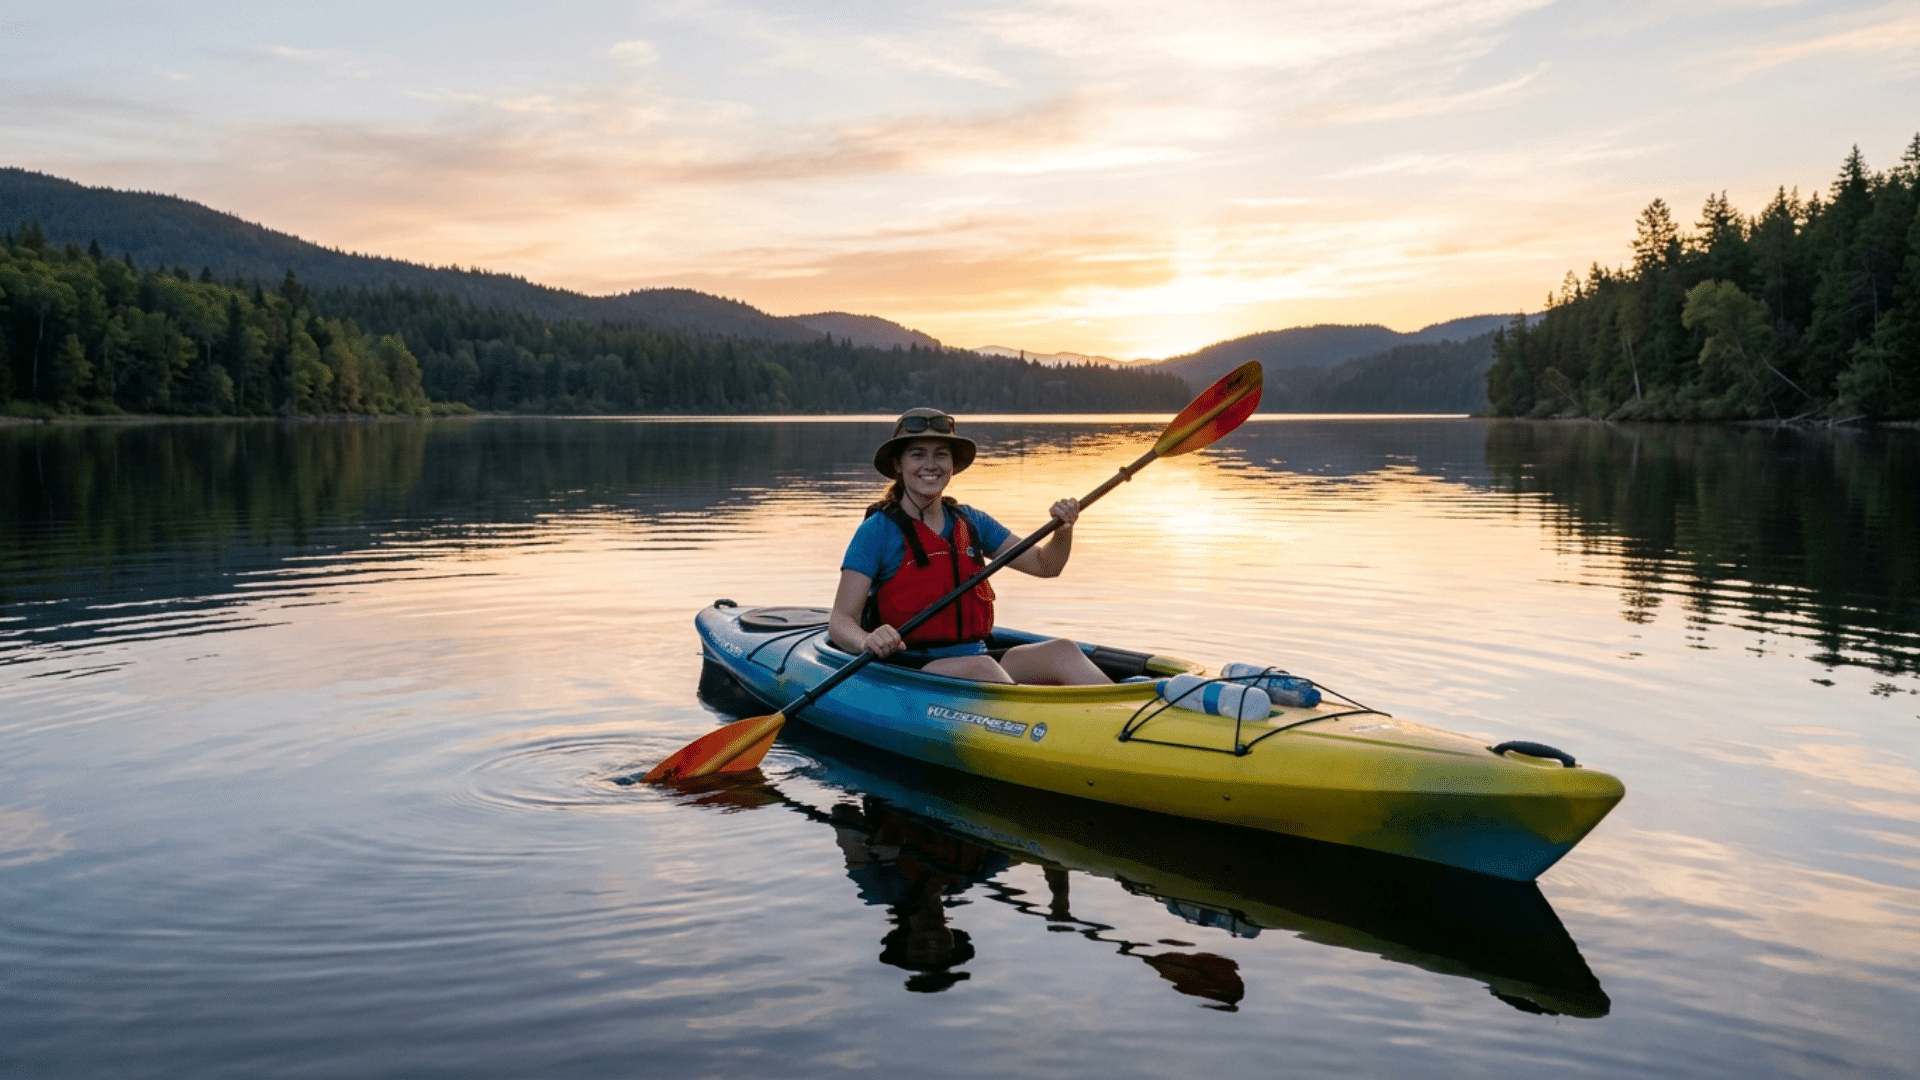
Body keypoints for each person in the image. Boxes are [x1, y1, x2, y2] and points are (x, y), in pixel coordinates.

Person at [828, 408, 1110, 685]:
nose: (930, 464)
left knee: (1062, 651)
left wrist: (1063, 530)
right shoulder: (877, 531)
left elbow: (1045, 565)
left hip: (977, 655)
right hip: (910, 665)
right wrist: (867, 639)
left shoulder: (972, 522)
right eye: (918, 454)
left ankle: (1119, 717)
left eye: (941, 454)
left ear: (952, 465)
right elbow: (841, 621)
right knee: (982, 668)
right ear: (899, 466)